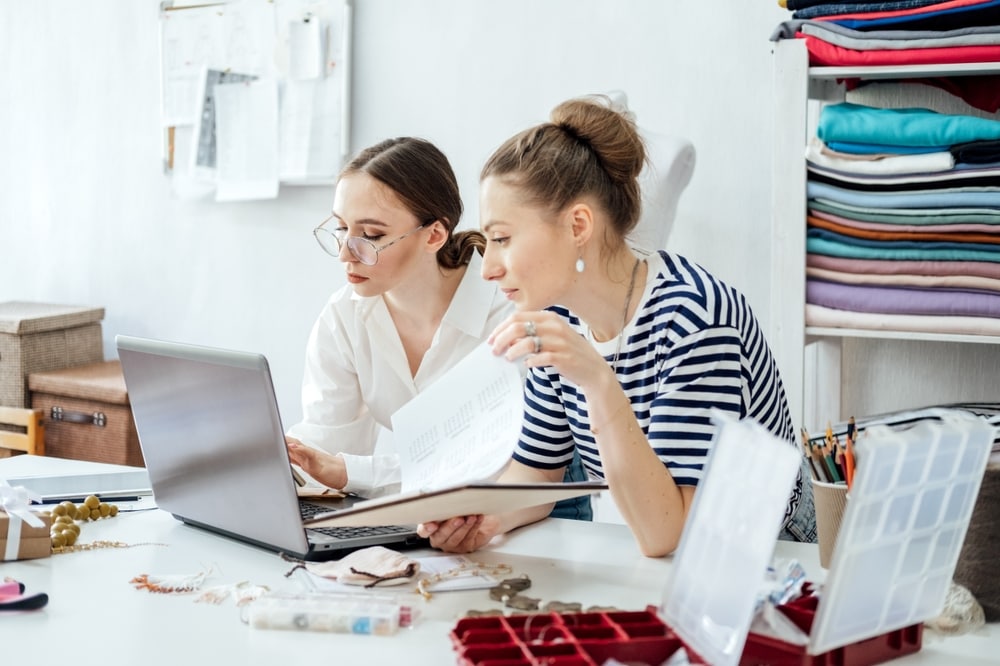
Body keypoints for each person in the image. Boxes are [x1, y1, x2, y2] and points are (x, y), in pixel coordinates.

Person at [418, 95, 816, 557]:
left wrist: (597, 381)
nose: (488, 268)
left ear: (578, 225)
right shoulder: (557, 316)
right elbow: (538, 472)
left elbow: (668, 531)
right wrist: (480, 517)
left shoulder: (695, 320)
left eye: (503, 239)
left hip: (770, 559)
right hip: (675, 560)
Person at [284, 136, 592, 519]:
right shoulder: (344, 316)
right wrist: (281, 461)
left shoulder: (509, 311)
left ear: (434, 234)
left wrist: (350, 472)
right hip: (435, 513)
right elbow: (328, 441)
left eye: (371, 236)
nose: (346, 252)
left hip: (532, 509)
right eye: (342, 228)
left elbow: (489, 468)